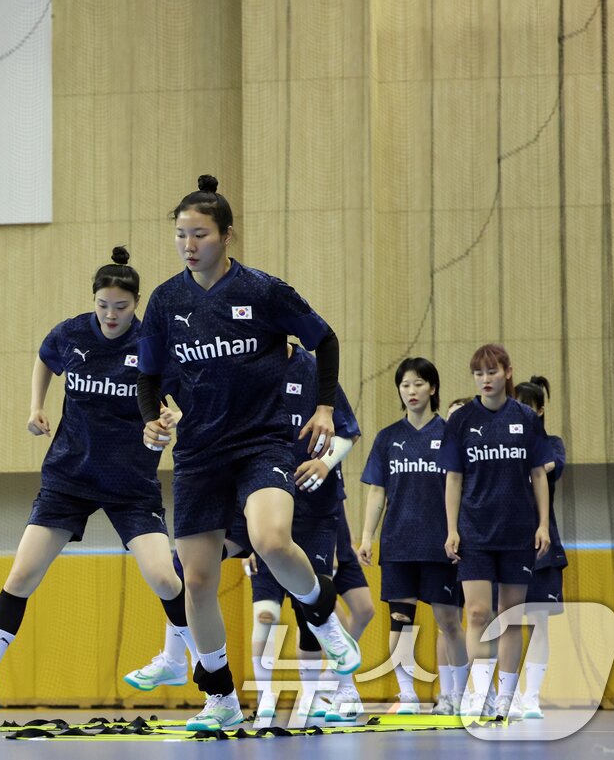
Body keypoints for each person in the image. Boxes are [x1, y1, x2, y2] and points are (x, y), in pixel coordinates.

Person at [136, 175, 361, 731]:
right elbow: (148, 375)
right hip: (198, 456)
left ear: (227, 235)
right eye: (181, 235)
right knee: (199, 580)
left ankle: (324, 617)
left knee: (270, 539)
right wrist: (153, 420)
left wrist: (326, 408)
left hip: (260, 444)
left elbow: (324, 338)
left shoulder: (263, 291)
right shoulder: (166, 301)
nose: (189, 245)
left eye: (200, 234)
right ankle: (221, 699)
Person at [0, 249, 193, 727]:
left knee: (165, 578)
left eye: (120, 306)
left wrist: (172, 417)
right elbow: (44, 358)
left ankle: (195, 672)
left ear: (135, 303)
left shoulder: (153, 343)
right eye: (102, 305)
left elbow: (177, 400)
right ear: (94, 301)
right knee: (20, 578)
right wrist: (35, 405)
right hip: (68, 478)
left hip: (130, 482)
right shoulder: (72, 333)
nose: (111, 314)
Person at [241, 343, 362, 722]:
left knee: (315, 610)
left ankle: (316, 696)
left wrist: (325, 464)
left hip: (315, 513)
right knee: (264, 615)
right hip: (269, 509)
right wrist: (249, 537)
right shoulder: (247, 369)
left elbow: (348, 431)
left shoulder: (312, 370)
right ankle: (263, 698)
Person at [441, 344, 551, 719]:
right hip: (474, 532)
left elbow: (538, 475)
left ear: (507, 372)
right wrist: (452, 529)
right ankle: (480, 692)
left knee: (511, 614)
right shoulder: (460, 422)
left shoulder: (526, 418)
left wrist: (542, 524)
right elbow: (453, 479)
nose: (485, 380)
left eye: (491, 372)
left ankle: (506, 696)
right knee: (476, 613)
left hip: (517, 531)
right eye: (478, 374)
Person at [358, 357, 467, 716]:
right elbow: (377, 492)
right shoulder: (388, 438)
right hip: (399, 543)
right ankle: (407, 694)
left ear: (432, 388)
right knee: (399, 622)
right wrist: (367, 536)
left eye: (419, 384)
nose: (411, 391)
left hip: (441, 545)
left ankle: (456, 693)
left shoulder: (450, 435)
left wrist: (456, 533)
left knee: (449, 622)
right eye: (405, 385)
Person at [509, 376, 566, 720]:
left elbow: (547, 468)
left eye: (527, 407)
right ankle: (510, 694)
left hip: (544, 549)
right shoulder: (500, 445)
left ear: (540, 410)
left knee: (539, 625)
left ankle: (532, 695)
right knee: (509, 623)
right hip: (508, 548)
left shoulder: (552, 444)